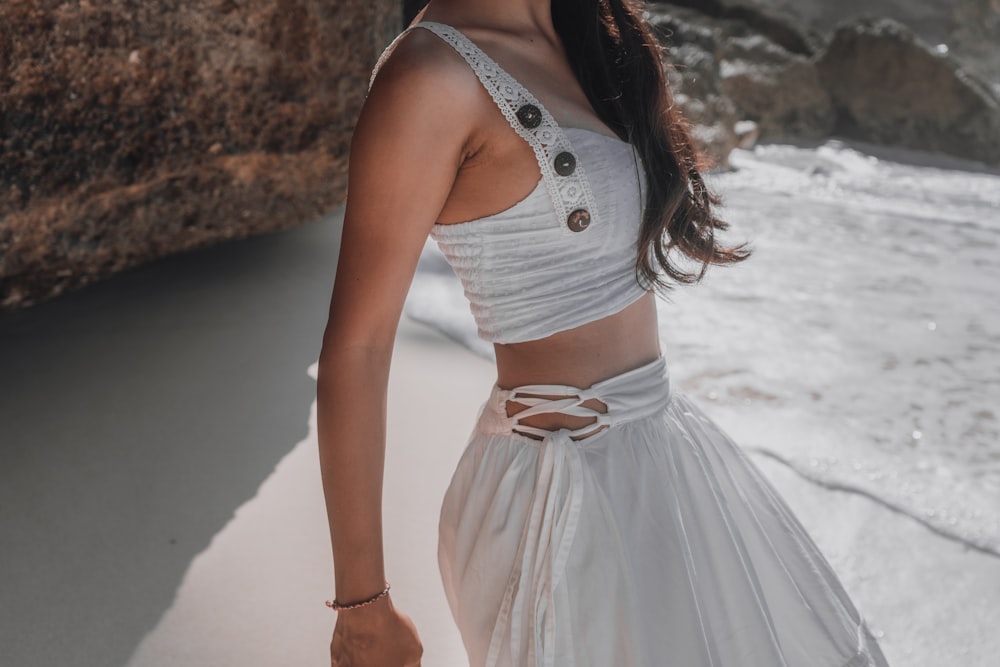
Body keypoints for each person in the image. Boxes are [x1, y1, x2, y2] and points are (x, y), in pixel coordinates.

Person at [316, 1, 890, 665]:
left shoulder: (586, 36)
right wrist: (361, 605)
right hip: (554, 492)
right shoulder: (430, 74)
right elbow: (356, 345)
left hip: (664, 452)